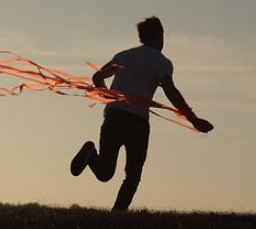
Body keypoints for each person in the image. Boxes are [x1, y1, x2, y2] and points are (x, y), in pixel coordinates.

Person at [70, 16, 211, 211]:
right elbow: (171, 92)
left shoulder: (124, 56)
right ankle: (117, 215)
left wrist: (107, 95)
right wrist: (193, 119)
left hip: (113, 116)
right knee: (133, 174)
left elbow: (97, 76)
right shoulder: (162, 62)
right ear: (160, 36)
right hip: (137, 122)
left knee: (105, 172)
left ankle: (90, 152)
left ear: (142, 37)